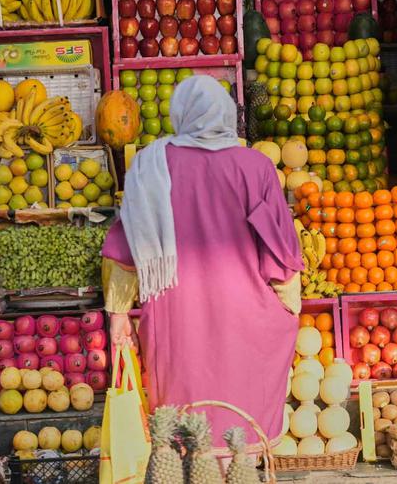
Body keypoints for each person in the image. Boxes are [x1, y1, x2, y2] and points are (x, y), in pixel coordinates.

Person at [101, 75, 303, 449]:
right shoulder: (255, 166)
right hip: (245, 311)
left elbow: (128, 244)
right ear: (227, 114)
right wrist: (290, 303)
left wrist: (117, 313)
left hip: (176, 313)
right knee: (241, 413)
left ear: (179, 114)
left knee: (182, 412)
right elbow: (280, 250)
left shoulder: (150, 164)